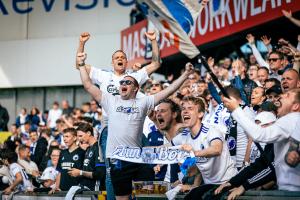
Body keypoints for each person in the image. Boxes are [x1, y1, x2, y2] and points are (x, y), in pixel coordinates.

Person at [78, 49, 194, 200]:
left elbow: (170, 89)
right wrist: (81, 64)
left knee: (147, 195)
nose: (123, 84)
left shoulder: (144, 102)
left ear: (136, 88)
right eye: (122, 82)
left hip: (139, 159)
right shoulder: (110, 101)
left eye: (128, 82)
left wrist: (185, 74)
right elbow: (88, 85)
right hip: (118, 159)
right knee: (122, 198)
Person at [76, 30, 160, 200]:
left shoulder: (134, 77)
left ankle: (146, 197)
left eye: (123, 57)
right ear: (112, 62)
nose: (120, 59)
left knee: (147, 164)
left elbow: (156, 63)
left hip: (134, 127)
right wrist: (81, 44)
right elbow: (80, 64)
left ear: (126, 61)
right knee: (111, 170)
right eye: (117, 57)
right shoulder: (104, 75)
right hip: (110, 127)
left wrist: (153, 41)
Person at [222, 88, 300, 191]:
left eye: (288, 95)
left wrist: (236, 109)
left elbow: (259, 135)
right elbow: (265, 162)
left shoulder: (293, 118)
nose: (282, 96)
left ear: (296, 106)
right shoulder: (291, 123)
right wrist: (234, 182)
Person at [171, 96, 237, 200]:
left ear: (200, 114)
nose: (185, 112)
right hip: (208, 185)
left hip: (228, 182)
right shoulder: (184, 136)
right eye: (183, 109)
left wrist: (193, 153)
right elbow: (167, 147)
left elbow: (216, 149)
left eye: (190, 108)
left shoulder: (211, 130)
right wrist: (141, 152)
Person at [68, 123, 106, 191]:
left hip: (95, 190)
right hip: (86, 188)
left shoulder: (98, 148)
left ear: (88, 133)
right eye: (78, 136)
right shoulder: (88, 149)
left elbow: (100, 174)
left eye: (80, 136)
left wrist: (80, 173)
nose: (79, 139)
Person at [53, 128, 85, 192]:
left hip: (75, 190)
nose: (64, 139)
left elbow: (83, 172)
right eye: (63, 137)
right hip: (62, 190)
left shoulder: (82, 153)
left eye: (67, 136)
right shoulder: (62, 152)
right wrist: (56, 187)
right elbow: (59, 172)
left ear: (75, 138)